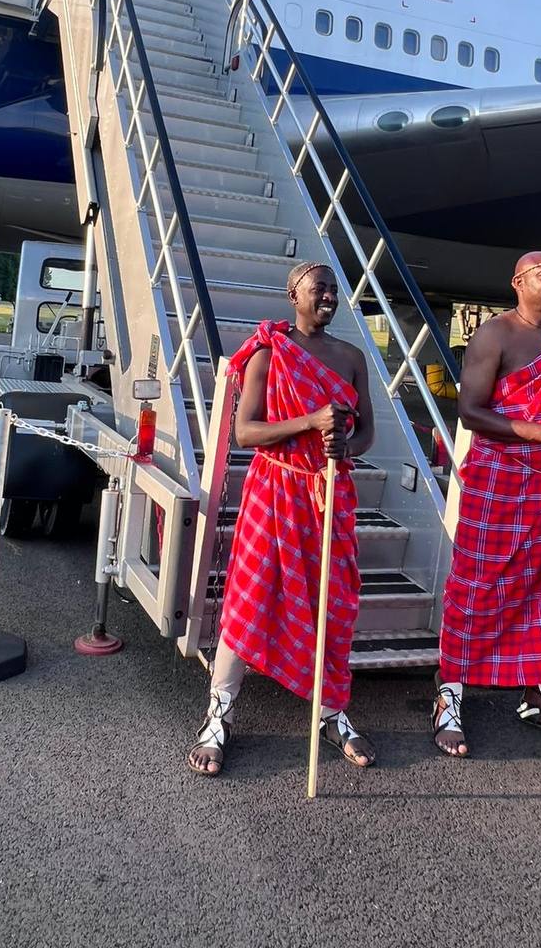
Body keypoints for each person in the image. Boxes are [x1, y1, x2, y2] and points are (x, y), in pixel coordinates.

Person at [187, 261, 377, 776]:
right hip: (274, 490)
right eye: (320, 289)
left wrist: (344, 446)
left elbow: (366, 435)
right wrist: (311, 422)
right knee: (251, 600)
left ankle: (331, 711)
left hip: (331, 491)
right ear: (293, 294)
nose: (330, 298)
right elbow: (246, 432)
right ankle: (218, 715)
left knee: (333, 603)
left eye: (335, 291)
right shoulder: (269, 351)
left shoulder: (352, 357)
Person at [433, 251, 541, 758]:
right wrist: (538, 432)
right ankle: (449, 694)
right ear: (518, 282)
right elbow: (469, 411)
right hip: (499, 481)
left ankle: (539, 694)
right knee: (479, 586)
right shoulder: (496, 335)